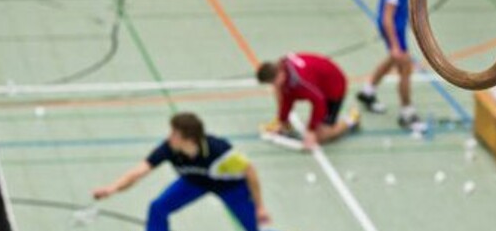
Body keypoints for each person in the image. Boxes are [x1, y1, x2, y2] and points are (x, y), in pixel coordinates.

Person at [92, 113, 269, 231]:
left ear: (189, 139)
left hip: (230, 187)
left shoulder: (219, 151)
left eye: (174, 133)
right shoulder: (169, 148)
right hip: (194, 182)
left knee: (253, 226)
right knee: (158, 207)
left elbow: (250, 172)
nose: (170, 137)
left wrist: (260, 206)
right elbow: (139, 171)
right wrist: (111, 188)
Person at [356, 0, 426, 128]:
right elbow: (387, 17)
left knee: (394, 61)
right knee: (405, 69)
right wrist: (395, 45)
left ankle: (368, 91)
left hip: (399, 27)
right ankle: (407, 113)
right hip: (392, 28)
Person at [256, 53, 360, 150]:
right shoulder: (282, 70)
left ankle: (351, 120)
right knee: (279, 89)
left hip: (333, 87)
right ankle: (285, 125)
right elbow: (287, 98)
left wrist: (311, 130)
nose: (272, 85)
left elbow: (319, 102)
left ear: (280, 74)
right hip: (318, 82)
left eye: (272, 82)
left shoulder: (300, 81)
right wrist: (282, 121)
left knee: (321, 137)